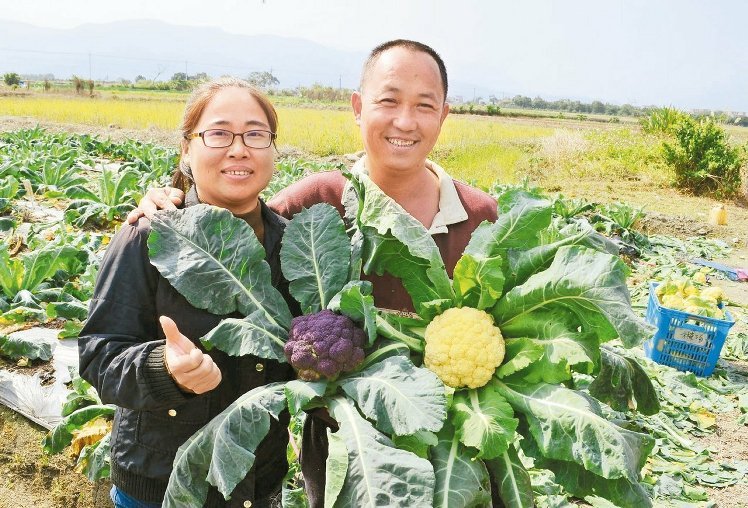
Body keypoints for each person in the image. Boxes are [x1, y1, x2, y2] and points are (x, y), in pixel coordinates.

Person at [128, 40, 499, 507]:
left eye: (424, 106)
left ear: (443, 115)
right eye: (388, 101)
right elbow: (229, 232)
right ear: (359, 109)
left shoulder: (481, 215)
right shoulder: (315, 201)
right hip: (347, 448)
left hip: (460, 445)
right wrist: (168, 202)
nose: (405, 121)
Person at [80, 77, 297, 508]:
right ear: (187, 149)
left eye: (256, 134)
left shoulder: (296, 248)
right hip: (159, 485)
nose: (239, 149)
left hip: (256, 482)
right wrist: (165, 369)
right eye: (219, 133)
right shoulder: (149, 234)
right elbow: (98, 355)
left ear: (273, 149)